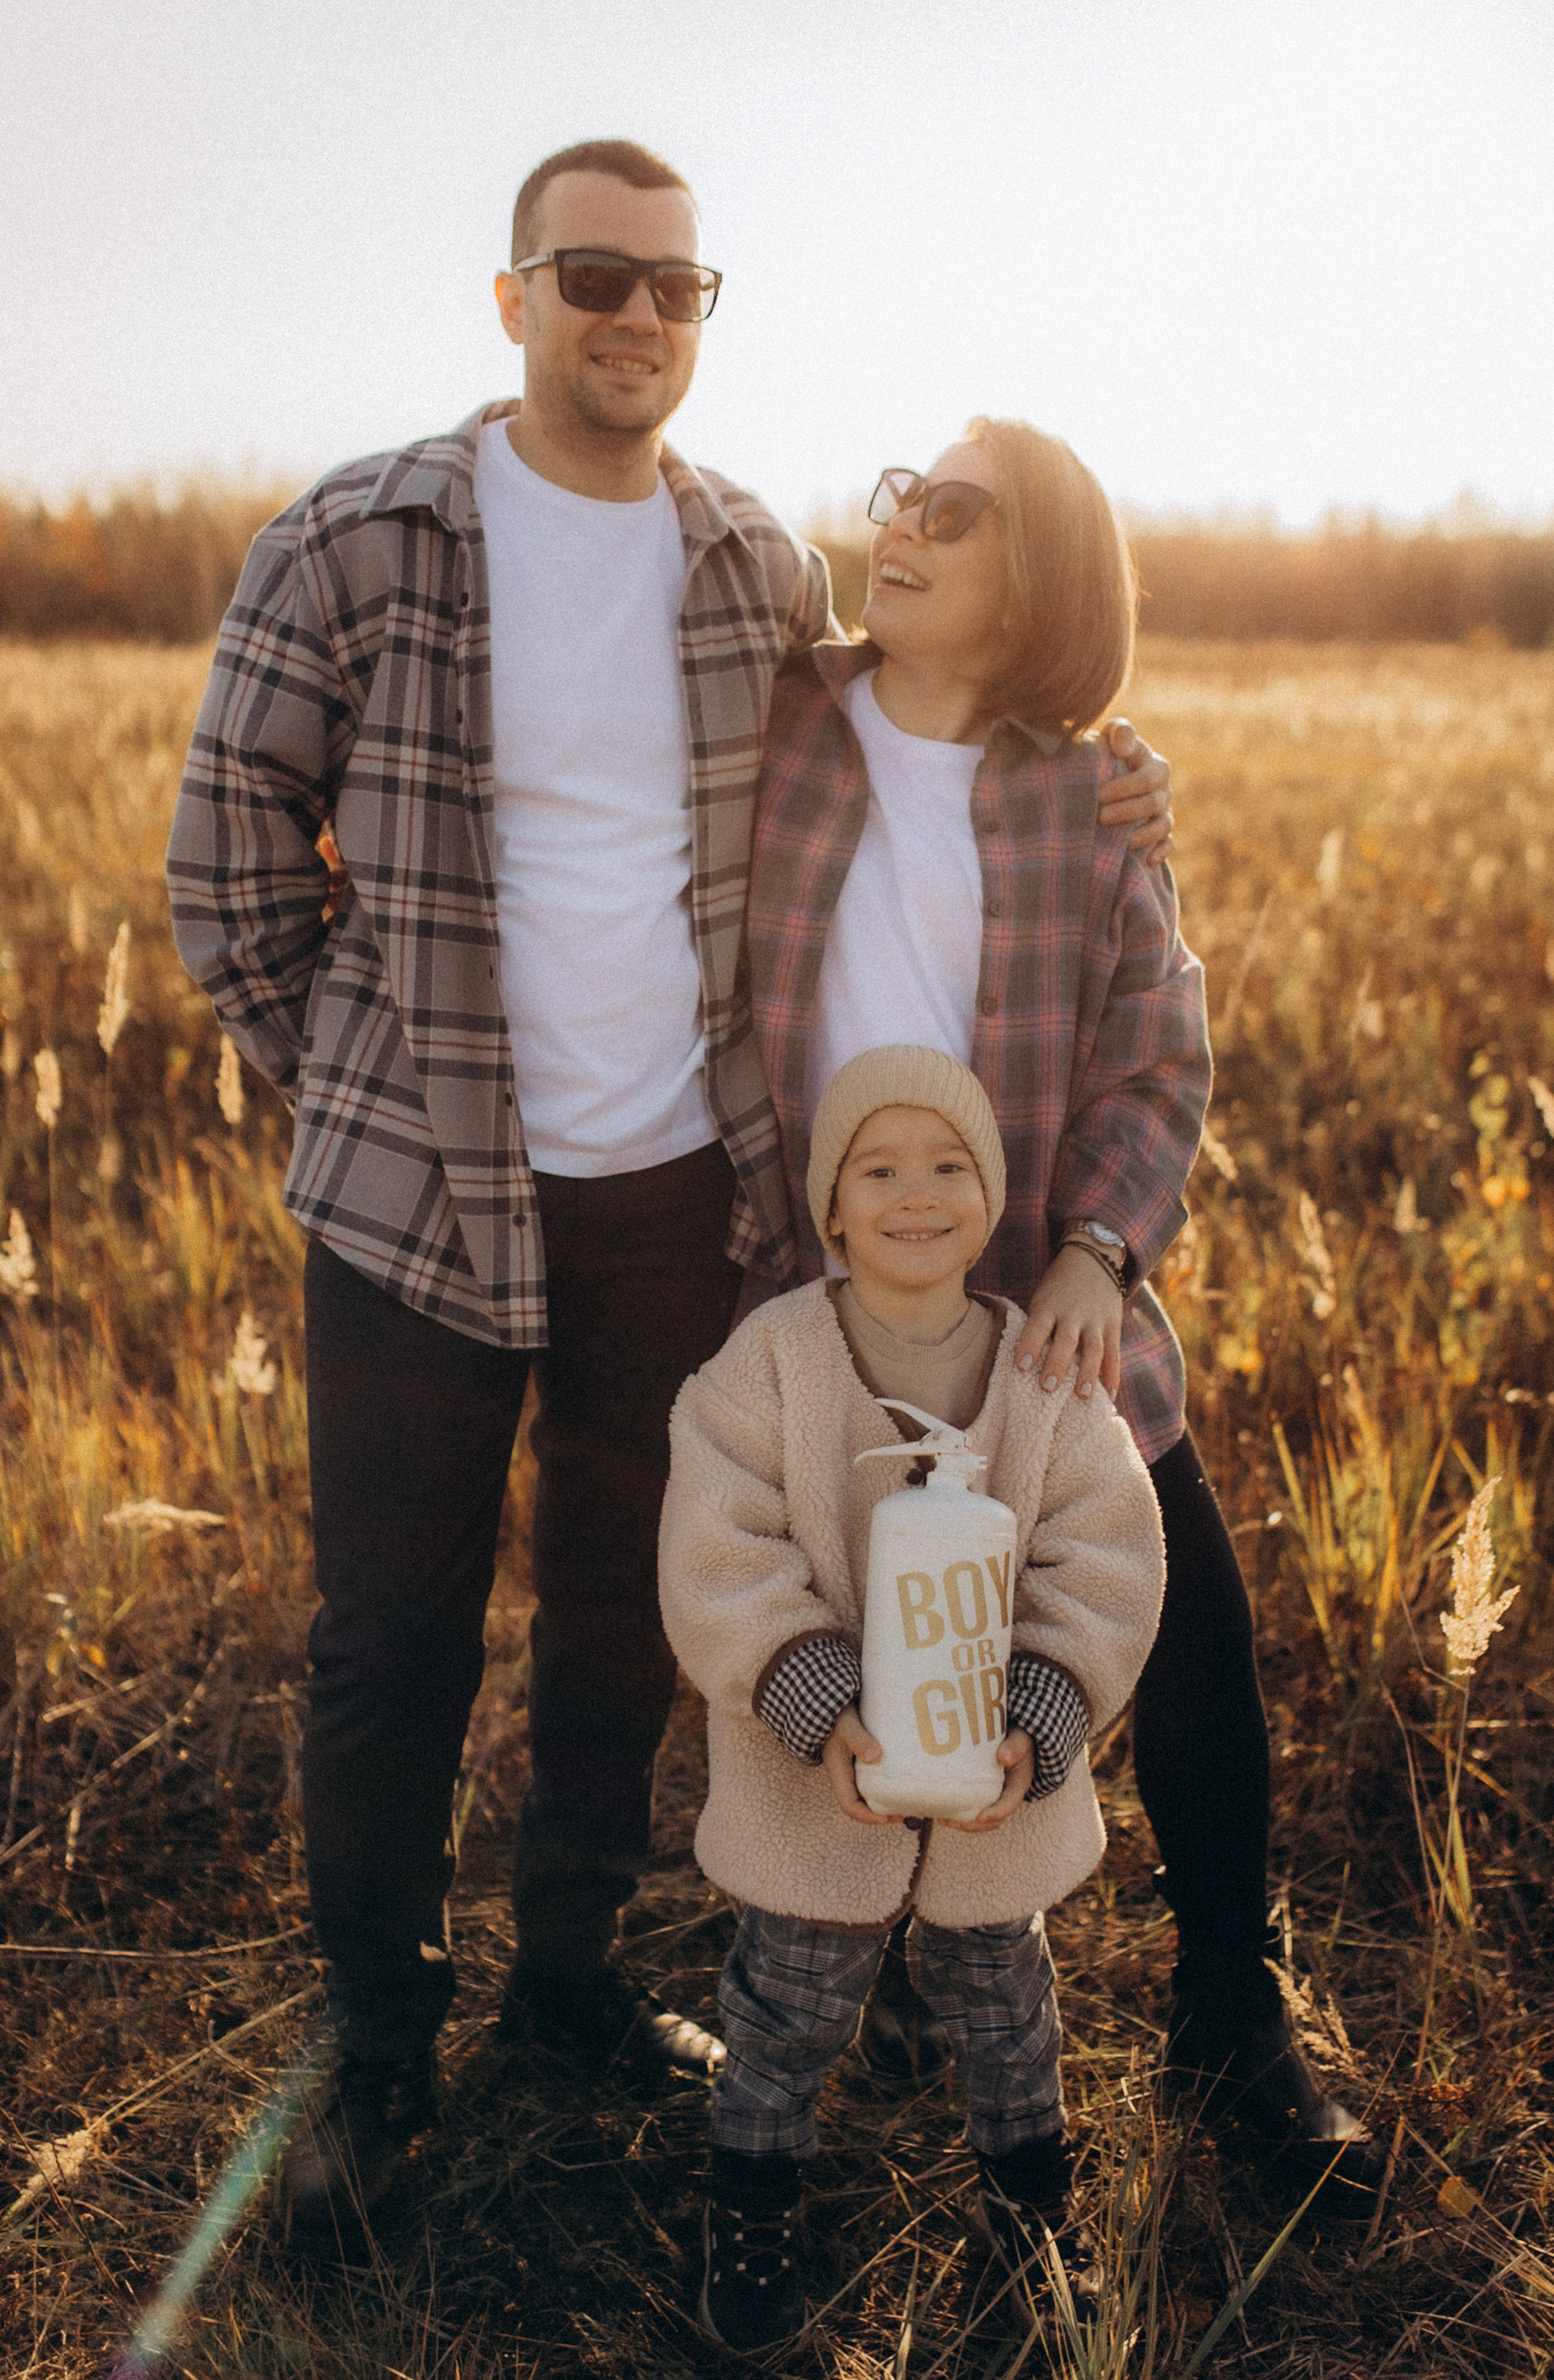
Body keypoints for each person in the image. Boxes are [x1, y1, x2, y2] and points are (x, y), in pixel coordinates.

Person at [165, 137, 1175, 2243]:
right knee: (390, 1636)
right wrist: (348, 1077)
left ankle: (566, 1983)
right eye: (594, 276)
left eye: (674, 288)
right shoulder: (355, 538)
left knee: (630, 1615)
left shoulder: (744, 562)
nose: (634, 316)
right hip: (420, 1203)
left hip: (670, 1203)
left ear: (701, 320)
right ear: (513, 294)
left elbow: (918, 757)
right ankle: (374, 2034)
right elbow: (226, 863)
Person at [746, 422, 1387, 2204]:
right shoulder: (783, 724)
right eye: (900, 494)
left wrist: (1104, 1247)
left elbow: (1159, 1056)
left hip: (1037, 1282)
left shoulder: (1087, 797)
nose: (905, 529)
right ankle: (861, 1967)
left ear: (1045, 586)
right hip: (828, 1301)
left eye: (959, 512)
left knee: (1183, 1599)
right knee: (848, 1620)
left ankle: (1230, 2004)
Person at [659, 1048, 1165, 2354]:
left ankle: (1027, 2214)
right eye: (877, 1168)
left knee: (1006, 2003)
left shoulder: (1039, 1368)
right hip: (813, 1770)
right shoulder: (769, 1360)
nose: (915, 1193)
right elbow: (721, 1546)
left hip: (996, 1780)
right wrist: (815, 1700)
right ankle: (754, 2209)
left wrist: (1041, 1721)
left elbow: (1102, 1557)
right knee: (787, 2002)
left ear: (992, 1197)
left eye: (948, 1166)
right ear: (831, 1207)